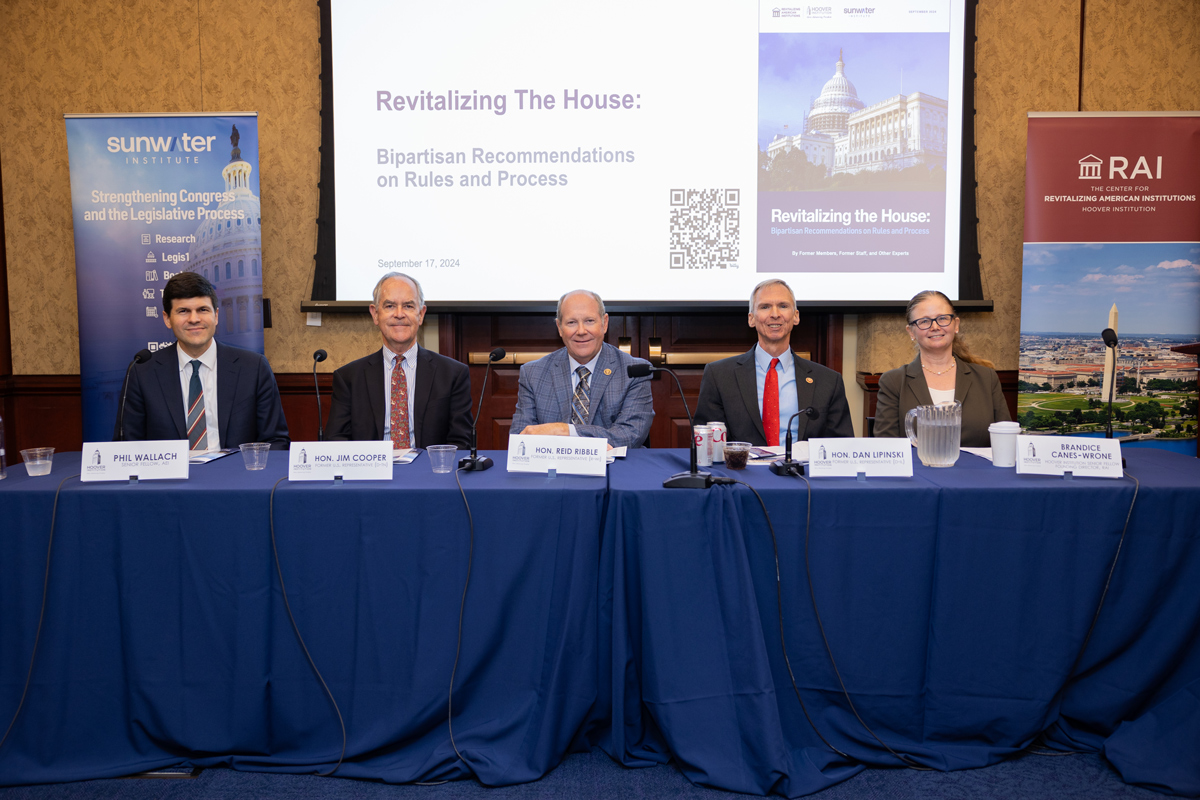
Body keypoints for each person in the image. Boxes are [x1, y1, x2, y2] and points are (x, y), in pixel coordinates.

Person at [117, 271, 289, 449]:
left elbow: (276, 441)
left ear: (215, 316)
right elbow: (128, 446)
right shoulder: (142, 372)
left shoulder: (253, 368)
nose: (194, 319)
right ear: (167, 319)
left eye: (202, 310)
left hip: (235, 474)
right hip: (170, 477)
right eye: (183, 311)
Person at [696, 279, 853, 445]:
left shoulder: (828, 381)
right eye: (765, 307)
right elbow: (707, 445)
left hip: (802, 470)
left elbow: (841, 447)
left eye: (783, 306)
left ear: (796, 316)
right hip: (741, 470)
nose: (775, 314)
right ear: (751, 319)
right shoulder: (719, 376)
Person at [325, 272, 472, 448]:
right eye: (389, 306)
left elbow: (461, 443)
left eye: (409, 306)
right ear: (375, 314)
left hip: (428, 472)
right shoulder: (348, 378)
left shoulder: (453, 374)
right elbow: (336, 441)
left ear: (421, 314)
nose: (399, 314)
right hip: (372, 472)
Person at [511, 290, 654, 448]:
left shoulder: (633, 371)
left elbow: (631, 434)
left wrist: (566, 431)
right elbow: (520, 437)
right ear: (559, 327)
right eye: (571, 322)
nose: (581, 331)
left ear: (604, 323)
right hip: (553, 468)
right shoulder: (533, 373)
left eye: (589, 321)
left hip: (615, 469)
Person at [874, 289, 1010, 447]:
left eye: (942, 318)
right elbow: (886, 449)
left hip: (976, 471)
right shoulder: (894, 382)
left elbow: (1005, 440)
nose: (935, 327)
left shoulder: (986, 378)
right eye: (924, 321)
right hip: (918, 471)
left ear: (956, 324)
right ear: (911, 332)